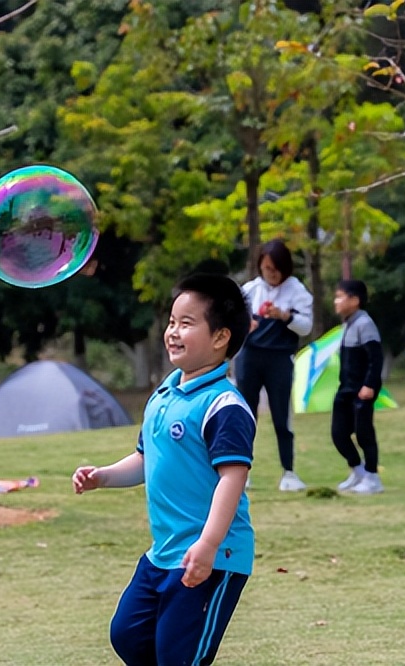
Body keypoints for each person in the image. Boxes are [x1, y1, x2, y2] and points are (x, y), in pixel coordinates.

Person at [72, 273, 255, 666]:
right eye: (172, 322)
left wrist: (207, 546)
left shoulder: (224, 405)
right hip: (163, 553)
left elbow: (232, 478)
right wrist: (103, 476)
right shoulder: (164, 394)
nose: (173, 332)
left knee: (179, 656)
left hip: (213, 555)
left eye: (187, 324)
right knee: (127, 635)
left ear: (221, 337)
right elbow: (144, 459)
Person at [236, 239, 313, 492]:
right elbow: (235, 318)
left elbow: (306, 326)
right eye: (266, 268)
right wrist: (246, 325)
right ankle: (241, 471)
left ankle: (289, 471)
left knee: (282, 415)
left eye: (274, 269)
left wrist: (284, 316)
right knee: (246, 415)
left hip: (279, 358)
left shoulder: (296, 291)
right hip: (250, 357)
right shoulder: (250, 290)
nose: (270, 274)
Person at [330, 279, 384, 495]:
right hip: (346, 388)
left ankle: (372, 477)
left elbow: (375, 358)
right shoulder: (348, 324)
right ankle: (357, 470)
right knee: (338, 433)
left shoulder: (365, 324)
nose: (336, 301)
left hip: (362, 389)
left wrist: (370, 384)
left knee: (364, 433)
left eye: (340, 296)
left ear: (355, 300)